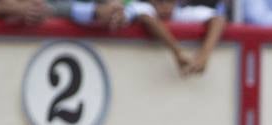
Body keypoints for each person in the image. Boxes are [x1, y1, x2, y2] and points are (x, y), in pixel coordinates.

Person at [72, 0, 228, 76]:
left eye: (169, 2)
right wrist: (177, 51)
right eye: (160, 2)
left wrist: (203, 56)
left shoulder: (181, 13)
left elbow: (218, 19)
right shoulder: (142, 8)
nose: (165, 7)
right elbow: (148, 18)